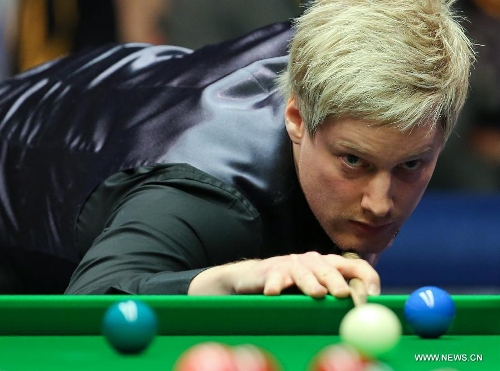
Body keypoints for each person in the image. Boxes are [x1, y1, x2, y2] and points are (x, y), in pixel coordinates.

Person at [0, 0, 473, 295]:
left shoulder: (353, 51)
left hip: (113, 94)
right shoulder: (204, 196)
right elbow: (90, 299)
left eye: (411, 164)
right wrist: (234, 275)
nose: (379, 203)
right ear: (296, 118)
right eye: (353, 161)